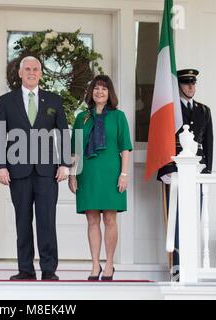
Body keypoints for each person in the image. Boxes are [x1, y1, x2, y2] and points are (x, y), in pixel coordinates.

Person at [0, 56, 70, 281]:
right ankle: (25, 270)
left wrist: (64, 163)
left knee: (47, 221)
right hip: (18, 171)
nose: (31, 72)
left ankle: (49, 270)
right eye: (27, 69)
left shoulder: (53, 100)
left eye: (36, 69)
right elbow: (0, 134)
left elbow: (63, 132)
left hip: (47, 171)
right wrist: (0, 166)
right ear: (19, 73)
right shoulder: (6, 101)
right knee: (22, 221)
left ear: (41, 73)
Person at [68, 75, 132, 281]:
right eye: (96, 88)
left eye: (104, 89)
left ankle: (110, 264)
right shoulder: (81, 117)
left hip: (112, 172)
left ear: (109, 93)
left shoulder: (119, 116)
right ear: (91, 92)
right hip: (88, 173)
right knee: (92, 219)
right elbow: (75, 149)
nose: (100, 92)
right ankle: (95, 264)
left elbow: (125, 147)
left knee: (110, 218)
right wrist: (72, 174)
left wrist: (124, 174)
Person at [157, 68, 213, 279]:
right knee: (177, 218)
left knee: (193, 217)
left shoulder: (204, 111)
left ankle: (190, 265)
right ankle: (178, 265)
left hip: (196, 170)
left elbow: (208, 144)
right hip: (175, 170)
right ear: (178, 85)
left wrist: (206, 172)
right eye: (187, 83)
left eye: (193, 83)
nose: (191, 87)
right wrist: (165, 170)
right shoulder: (170, 110)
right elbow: (162, 141)